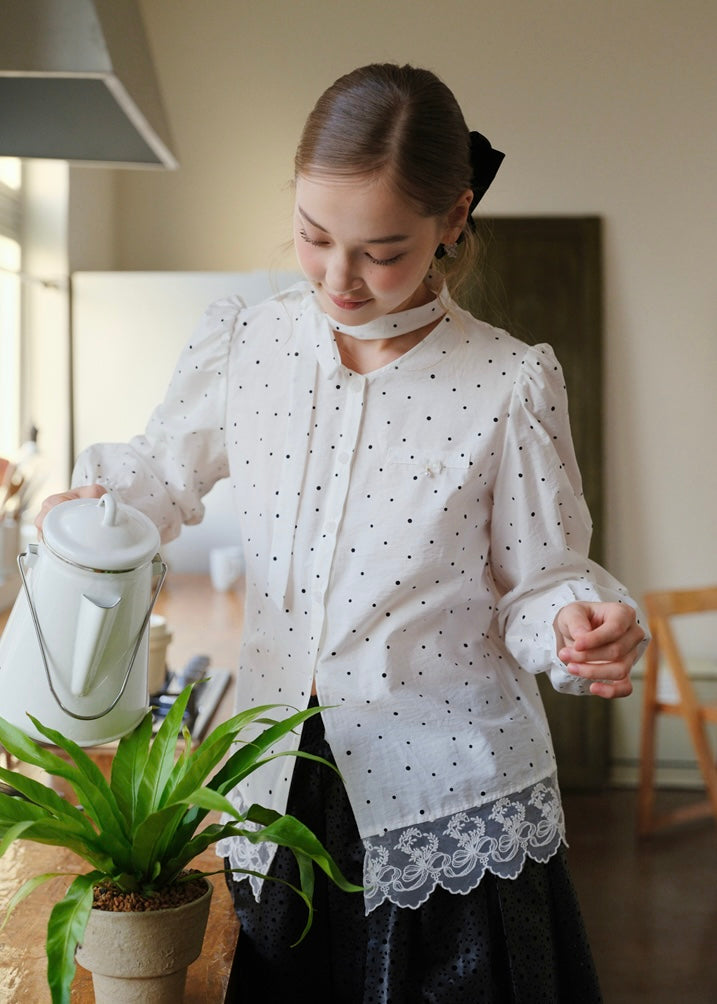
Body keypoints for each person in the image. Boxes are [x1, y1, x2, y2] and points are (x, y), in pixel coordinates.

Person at [37, 63, 646, 1003]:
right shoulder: (248, 345)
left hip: (451, 791)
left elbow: (539, 584)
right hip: (277, 782)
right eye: (315, 236)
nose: (339, 276)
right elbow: (160, 476)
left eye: (382, 250)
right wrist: (84, 512)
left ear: (453, 218)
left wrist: (579, 624)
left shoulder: (505, 384)